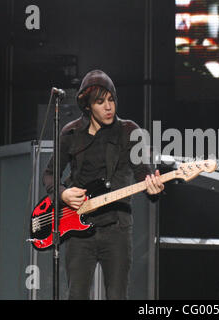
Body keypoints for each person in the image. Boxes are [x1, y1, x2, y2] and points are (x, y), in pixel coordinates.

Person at [42, 69, 164, 300]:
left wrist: (154, 189)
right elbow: (49, 174)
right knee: (76, 295)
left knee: (117, 295)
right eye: (100, 102)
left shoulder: (130, 131)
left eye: (111, 100)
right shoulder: (71, 132)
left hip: (117, 229)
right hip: (78, 228)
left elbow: (143, 175)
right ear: (87, 105)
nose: (108, 107)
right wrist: (63, 194)